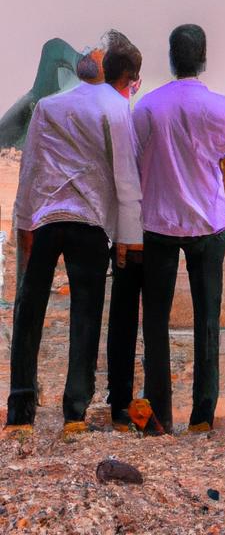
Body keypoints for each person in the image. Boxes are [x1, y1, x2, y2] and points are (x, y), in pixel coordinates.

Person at [5, 37, 144, 435]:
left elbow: (30, 169)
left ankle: (20, 411)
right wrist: (125, 237)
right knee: (85, 313)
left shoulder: (48, 107)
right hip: (90, 224)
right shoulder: (115, 108)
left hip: (46, 221)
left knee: (29, 311)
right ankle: (75, 412)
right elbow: (125, 179)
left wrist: (24, 223)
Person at [134, 24, 225, 434]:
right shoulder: (220, 108)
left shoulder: (147, 108)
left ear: (171, 58)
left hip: (158, 221)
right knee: (207, 320)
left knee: (156, 322)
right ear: (204, 58)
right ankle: (202, 417)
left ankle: (159, 416)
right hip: (207, 223)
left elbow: (135, 160)